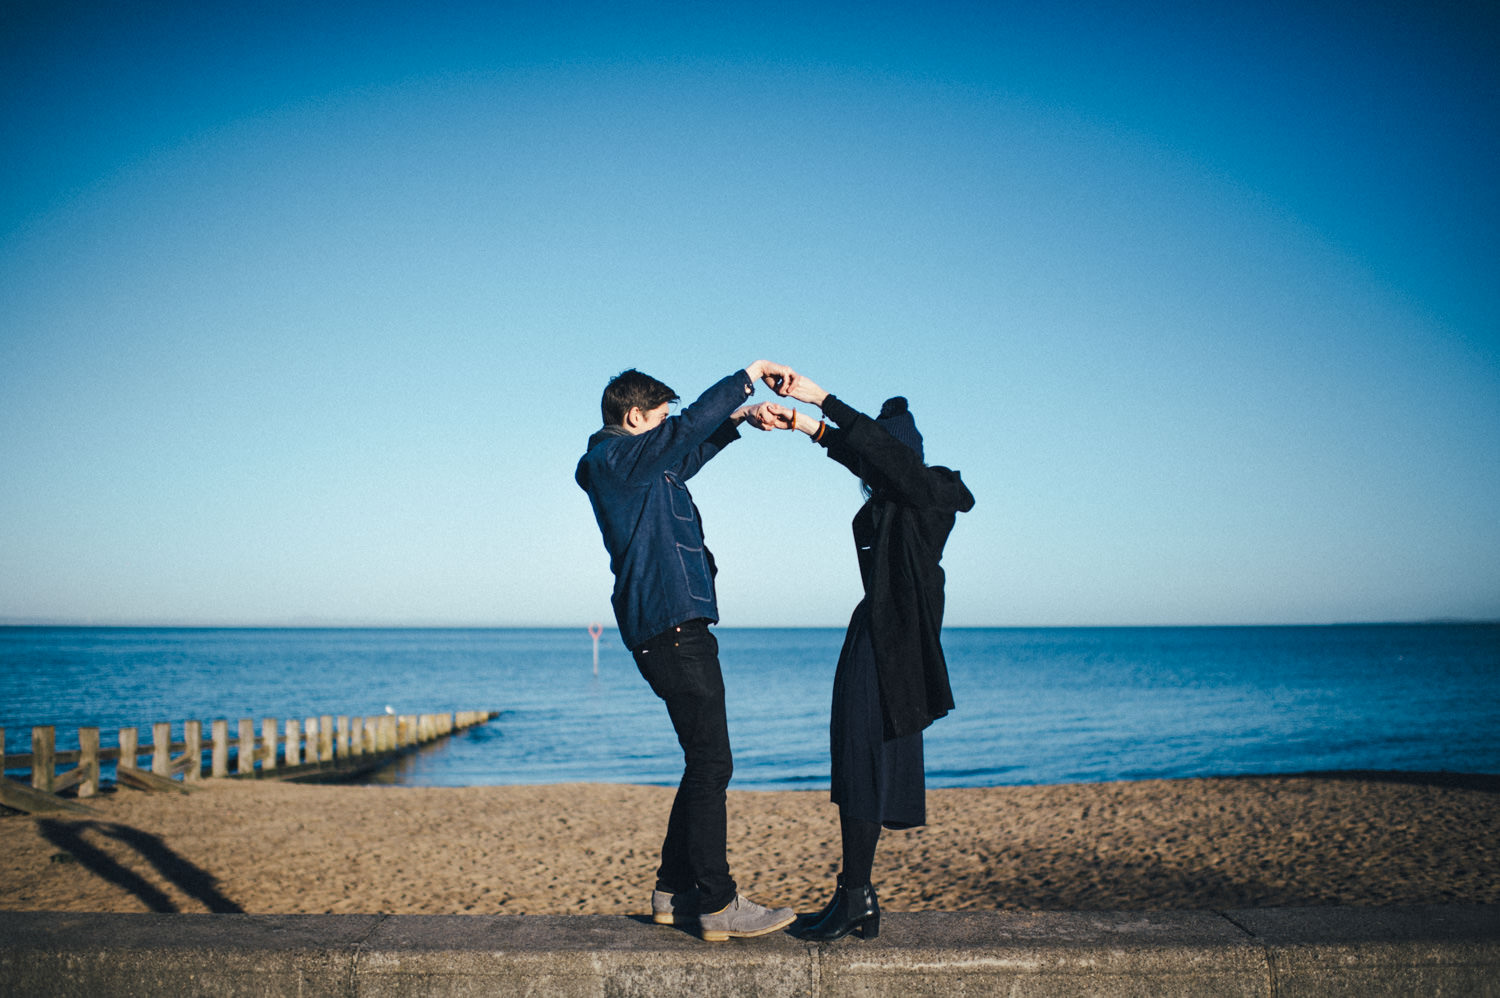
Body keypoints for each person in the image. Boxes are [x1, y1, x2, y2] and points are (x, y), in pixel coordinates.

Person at [575, 361, 799, 942]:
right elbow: (683, 434)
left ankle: (672, 891)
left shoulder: (639, 468)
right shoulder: (614, 460)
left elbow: (686, 451)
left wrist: (739, 422)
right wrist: (745, 379)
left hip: (673, 625)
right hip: (671, 626)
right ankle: (717, 902)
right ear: (634, 417)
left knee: (702, 759)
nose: (668, 430)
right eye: (660, 421)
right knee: (712, 762)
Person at [770, 376, 975, 941]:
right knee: (859, 763)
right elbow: (871, 459)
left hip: (893, 649)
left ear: (902, 455)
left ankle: (856, 896)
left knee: (864, 765)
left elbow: (885, 457)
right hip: (877, 638)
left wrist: (821, 401)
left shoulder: (931, 492)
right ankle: (855, 894)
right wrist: (810, 429)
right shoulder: (895, 497)